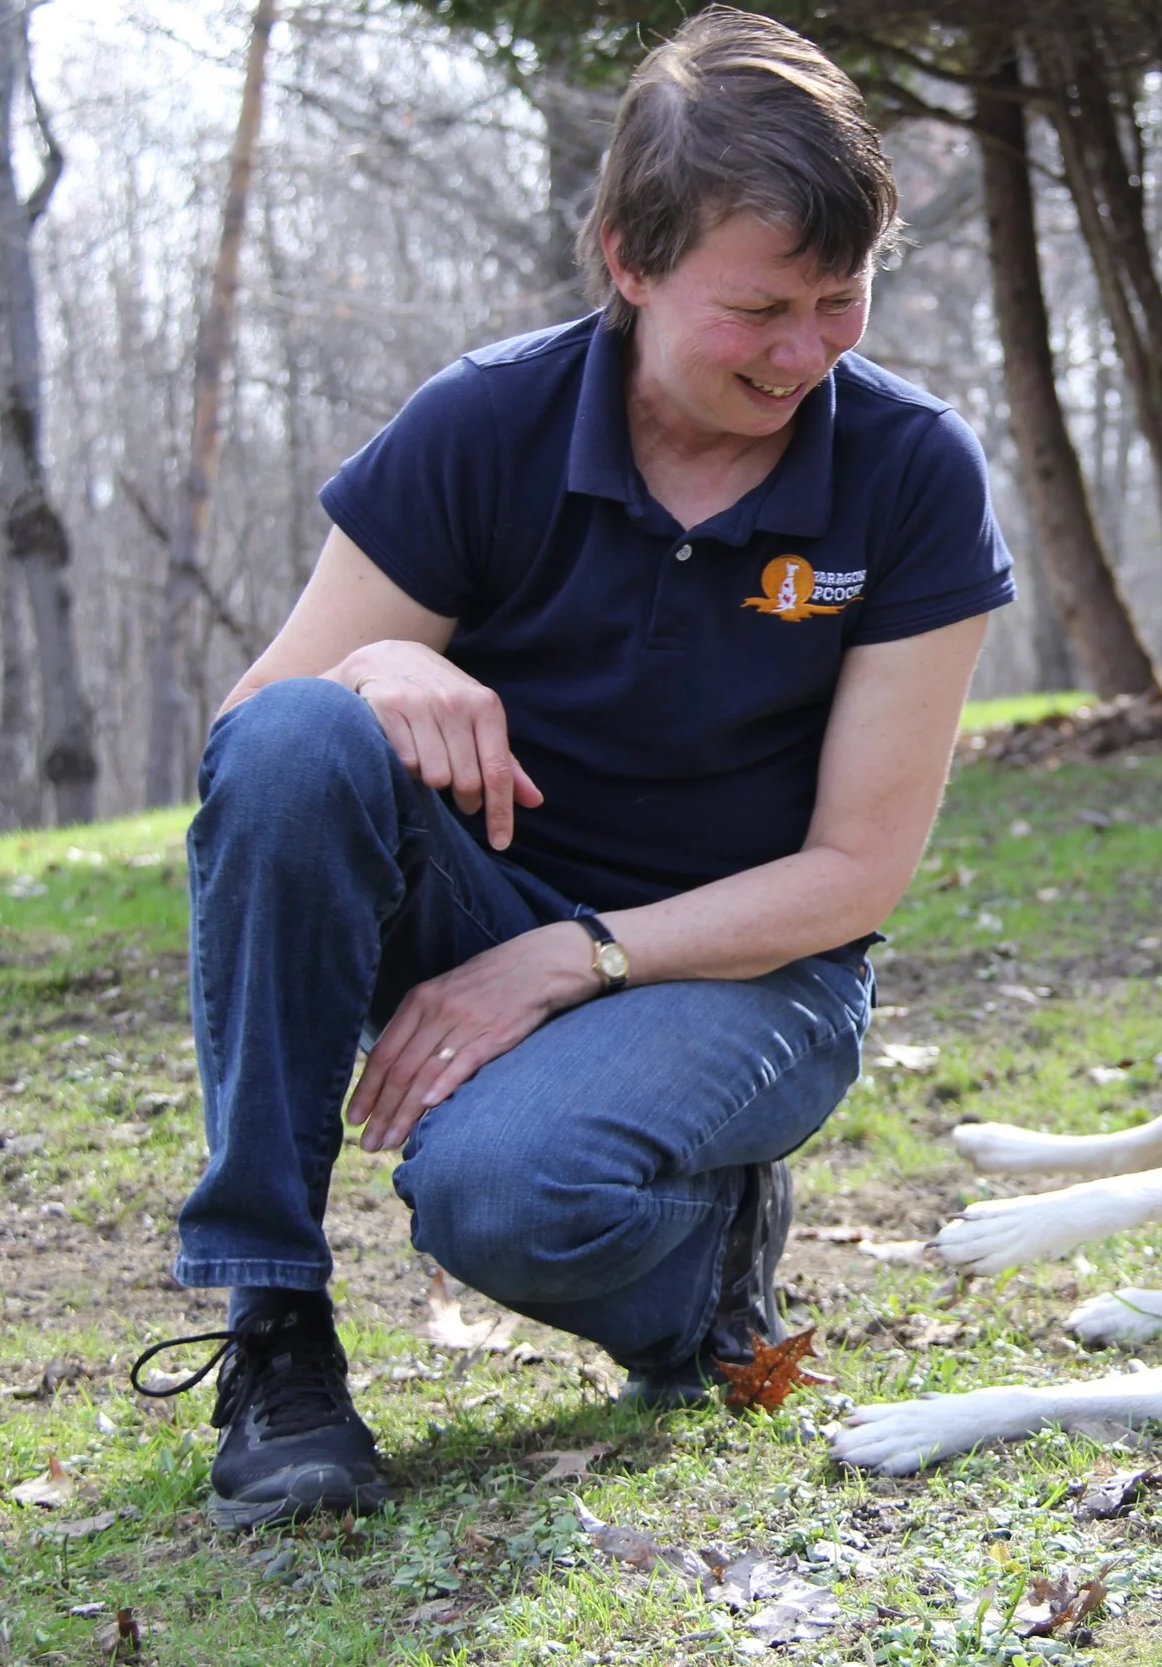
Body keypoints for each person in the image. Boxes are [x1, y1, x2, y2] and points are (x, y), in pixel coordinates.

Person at [130, 7, 1013, 1528]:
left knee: (500, 1191)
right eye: (760, 309)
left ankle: (701, 1266)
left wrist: (570, 960)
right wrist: (382, 660)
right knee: (298, 740)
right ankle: (273, 1321)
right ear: (629, 257)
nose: (807, 350)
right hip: (485, 896)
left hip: (753, 967)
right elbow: (253, 740)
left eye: (842, 297)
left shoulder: (909, 469)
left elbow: (854, 873)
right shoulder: (489, 423)